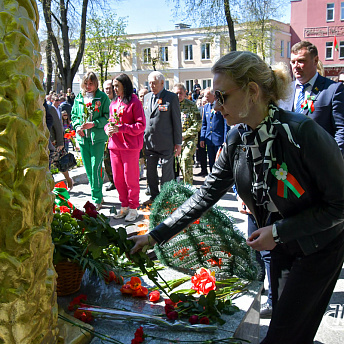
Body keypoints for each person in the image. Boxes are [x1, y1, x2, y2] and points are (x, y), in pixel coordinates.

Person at [130, 51, 344, 344]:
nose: (215, 106)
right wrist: (155, 235)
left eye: (222, 96)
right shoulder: (237, 139)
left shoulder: (302, 133)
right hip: (279, 243)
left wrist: (280, 231)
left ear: (252, 92)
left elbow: (339, 206)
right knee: (286, 329)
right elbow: (205, 195)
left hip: (320, 245)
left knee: (285, 335)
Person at [281, 40, 344, 154]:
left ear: (315, 60)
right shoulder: (285, 91)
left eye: (301, 61)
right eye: (293, 62)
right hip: (289, 163)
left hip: (320, 161)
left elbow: (341, 130)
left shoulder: (333, 90)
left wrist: (334, 160)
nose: (296, 66)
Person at [104, 73, 146, 221]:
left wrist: (121, 128)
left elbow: (141, 125)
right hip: (115, 146)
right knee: (118, 179)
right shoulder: (113, 103)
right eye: (114, 86)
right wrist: (107, 128)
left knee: (131, 178)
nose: (114, 89)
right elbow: (110, 122)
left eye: (117, 86)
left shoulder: (134, 102)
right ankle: (124, 206)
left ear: (125, 86)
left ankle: (134, 207)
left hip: (130, 147)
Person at [142, 71, 182, 206]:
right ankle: (154, 197)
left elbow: (177, 121)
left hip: (166, 143)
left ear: (162, 83)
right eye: (150, 83)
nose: (151, 86)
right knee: (151, 174)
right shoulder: (146, 97)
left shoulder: (171, 97)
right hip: (149, 143)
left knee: (166, 174)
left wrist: (178, 143)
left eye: (154, 83)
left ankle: (165, 199)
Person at [71, 72, 110, 210]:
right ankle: (98, 194)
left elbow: (107, 117)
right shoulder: (79, 97)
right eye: (86, 83)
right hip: (83, 139)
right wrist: (77, 127)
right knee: (88, 169)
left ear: (96, 83)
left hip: (97, 139)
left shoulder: (103, 97)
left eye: (91, 83)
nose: (88, 86)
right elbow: (74, 115)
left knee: (96, 167)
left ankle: (96, 199)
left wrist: (94, 124)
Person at [172, 83, 201, 185]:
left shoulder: (191, 105)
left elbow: (198, 124)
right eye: (176, 93)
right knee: (171, 163)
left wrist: (184, 135)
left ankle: (188, 186)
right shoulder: (170, 105)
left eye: (180, 93)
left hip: (189, 139)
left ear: (185, 93)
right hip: (173, 140)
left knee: (185, 158)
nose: (178, 96)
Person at [200, 88, 228, 171]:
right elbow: (204, 124)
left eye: (207, 96)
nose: (206, 98)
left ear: (213, 95)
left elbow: (225, 124)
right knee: (211, 161)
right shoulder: (206, 107)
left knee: (219, 161)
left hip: (219, 139)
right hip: (209, 139)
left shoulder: (219, 106)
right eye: (205, 96)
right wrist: (202, 138)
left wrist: (225, 140)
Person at [103, 79, 116, 192]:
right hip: (105, 135)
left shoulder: (117, 101)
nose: (109, 90)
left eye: (111, 87)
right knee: (106, 159)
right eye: (106, 88)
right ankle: (112, 181)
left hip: (117, 134)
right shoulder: (103, 101)